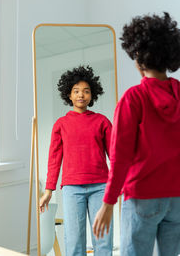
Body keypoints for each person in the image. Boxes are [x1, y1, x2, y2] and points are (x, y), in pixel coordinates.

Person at [93, 12, 180, 256]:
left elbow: (120, 157)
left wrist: (108, 203)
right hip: (177, 198)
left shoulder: (134, 98)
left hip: (142, 196)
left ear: (138, 57)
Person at [40, 65, 113, 256]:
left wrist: (124, 181)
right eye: (76, 91)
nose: (81, 95)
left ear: (92, 95)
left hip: (101, 187)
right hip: (72, 189)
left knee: (103, 240)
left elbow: (115, 154)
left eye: (86, 91)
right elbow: (54, 159)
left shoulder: (102, 121)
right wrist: (49, 191)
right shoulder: (61, 124)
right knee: (74, 242)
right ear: (69, 95)